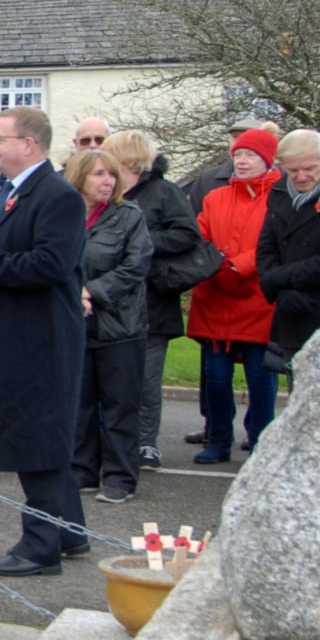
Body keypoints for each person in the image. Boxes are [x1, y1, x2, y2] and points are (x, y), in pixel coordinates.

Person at [0, 109, 88, 576]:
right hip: (17, 332)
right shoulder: (12, 192)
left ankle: (39, 547)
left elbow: (50, 265)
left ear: (29, 145)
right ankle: (69, 531)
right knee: (39, 432)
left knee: (41, 439)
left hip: (43, 338)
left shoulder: (58, 196)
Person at [101, 129, 201, 472]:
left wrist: (139, 241)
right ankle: (110, 440)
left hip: (152, 299)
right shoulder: (107, 191)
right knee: (112, 379)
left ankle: (145, 443)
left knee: (146, 380)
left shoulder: (164, 191)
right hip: (110, 300)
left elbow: (187, 234)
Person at [188, 127, 282, 464]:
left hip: (258, 299)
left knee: (260, 376)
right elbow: (198, 238)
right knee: (215, 376)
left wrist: (238, 267)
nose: (241, 161)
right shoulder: (216, 197)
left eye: (250, 155)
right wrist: (215, 267)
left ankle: (261, 443)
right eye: (238, 154)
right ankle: (218, 439)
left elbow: (274, 245)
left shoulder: (279, 198)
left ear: (267, 160)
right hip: (215, 297)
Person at [67, 147, 153, 505]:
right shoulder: (66, 215)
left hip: (120, 327)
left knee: (120, 405)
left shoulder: (128, 216)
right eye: (98, 174)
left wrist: (92, 291)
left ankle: (119, 477)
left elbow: (136, 265)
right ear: (80, 177)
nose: (107, 181)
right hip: (77, 324)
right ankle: (82, 470)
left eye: (111, 174)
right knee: (80, 405)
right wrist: (73, 293)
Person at [257, 129, 320, 373]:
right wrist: (280, 291)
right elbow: (267, 247)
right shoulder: (279, 191)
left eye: (309, 169)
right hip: (292, 312)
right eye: (293, 170)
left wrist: (282, 278)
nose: (301, 176)